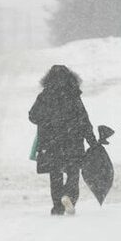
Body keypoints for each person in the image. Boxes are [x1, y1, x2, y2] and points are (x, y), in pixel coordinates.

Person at [29, 65, 97, 216]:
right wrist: (92, 140)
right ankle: (69, 197)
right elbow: (83, 119)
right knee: (73, 173)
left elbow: (33, 116)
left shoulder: (44, 96)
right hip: (73, 141)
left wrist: (47, 120)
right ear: (70, 78)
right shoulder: (73, 95)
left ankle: (57, 207)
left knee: (55, 175)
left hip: (51, 143)